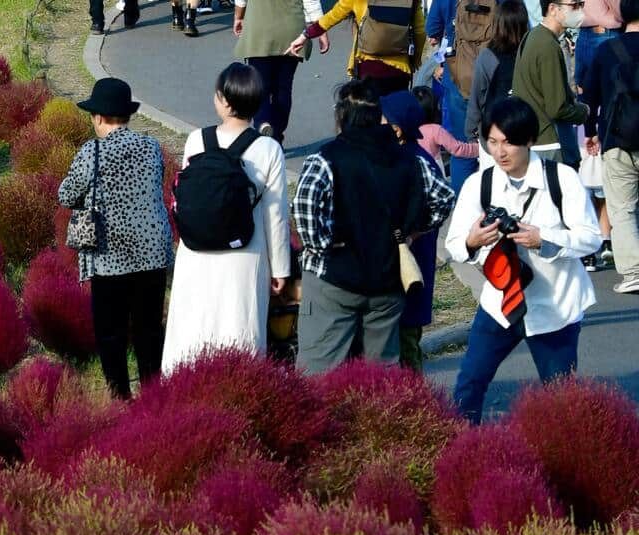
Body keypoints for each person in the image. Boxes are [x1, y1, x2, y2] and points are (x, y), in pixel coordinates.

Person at [448, 98, 600, 420]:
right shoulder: (480, 183)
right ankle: (460, 454)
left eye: (509, 142)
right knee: (469, 385)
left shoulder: (561, 179)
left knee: (560, 401)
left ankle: (561, 463)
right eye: (492, 142)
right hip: (499, 303)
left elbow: (591, 238)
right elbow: (454, 244)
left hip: (555, 305)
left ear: (529, 140)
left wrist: (544, 239)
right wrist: (472, 241)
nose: (500, 152)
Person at [292, 79, 456, 368]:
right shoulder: (410, 159)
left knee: (321, 374)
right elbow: (443, 197)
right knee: (378, 378)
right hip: (387, 282)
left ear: (341, 116)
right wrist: (413, 232)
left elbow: (305, 206)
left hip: (334, 280)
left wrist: (322, 243)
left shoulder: (325, 158)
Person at [164, 64, 293, 369]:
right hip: (245, 252)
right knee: (240, 324)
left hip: (195, 250)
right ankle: (236, 387)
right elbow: (276, 216)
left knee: (192, 325)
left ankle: (181, 384)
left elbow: (186, 195)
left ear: (222, 100)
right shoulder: (269, 149)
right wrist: (281, 269)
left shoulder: (197, 140)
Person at [58, 78, 174, 397]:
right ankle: (154, 394)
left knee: (111, 332)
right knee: (149, 328)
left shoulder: (91, 151)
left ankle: (120, 396)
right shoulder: (151, 147)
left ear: (98, 117)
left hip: (110, 255)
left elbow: (66, 194)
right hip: (151, 251)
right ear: (126, 115)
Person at [384, 89, 452, 369]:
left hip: (412, 262)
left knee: (407, 340)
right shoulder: (404, 154)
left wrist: (414, 233)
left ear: (398, 129)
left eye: (383, 119)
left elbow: (444, 200)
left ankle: (416, 403)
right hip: (406, 260)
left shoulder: (414, 160)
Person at [582, 0, 639, 291]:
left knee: (622, 208)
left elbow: (590, 97)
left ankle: (633, 272)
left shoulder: (607, 51)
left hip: (617, 138)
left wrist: (591, 132)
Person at [284, 0, 429, 97]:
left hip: (368, 66)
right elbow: (420, 31)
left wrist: (306, 35)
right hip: (400, 69)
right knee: (396, 120)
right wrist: (414, 61)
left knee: (369, 119)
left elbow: (332, 16)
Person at [235, 0, 328, 140]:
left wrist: (239, 17)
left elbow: (241, 1)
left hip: (259, 30)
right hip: (292, 32)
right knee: (283, 88)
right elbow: (311, 2)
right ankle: (277, 133)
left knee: (260, 86)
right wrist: (321, 31)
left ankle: (262, 122)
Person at [512, 0, 591, 163]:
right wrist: (584, 111)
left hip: (537, 139)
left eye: (581, 4)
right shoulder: (548, 45)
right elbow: (557, 108)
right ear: (553, 9)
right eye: (574, 5)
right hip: (550, 144)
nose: (579, 10)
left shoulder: (534, 36)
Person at [438, 0, 497, 190]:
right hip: (493, 78)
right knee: (496, 146)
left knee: (462, 148)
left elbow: (433, 29)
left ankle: (464, 209)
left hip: (458, 77)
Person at [468, 0, 530, 162]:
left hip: (494, 134)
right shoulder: (530, 53)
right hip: (525, 131)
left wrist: (471, 129)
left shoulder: (487, 56)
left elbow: (477, 96)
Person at [415, 84, 482, 164]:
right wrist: (480, 148)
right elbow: (457, 148)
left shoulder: (406, 129)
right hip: (433, 171)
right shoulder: (435, 130)